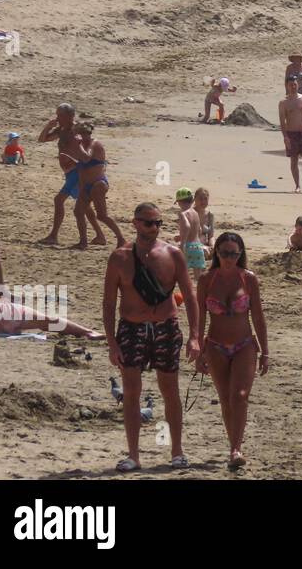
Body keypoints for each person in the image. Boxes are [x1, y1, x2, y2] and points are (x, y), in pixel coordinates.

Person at [102, 202, 201, 472]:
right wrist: (111, 342)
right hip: (131, 329)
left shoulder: (173, 254)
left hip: (165, 327)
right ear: (135, 223)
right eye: (148, 223)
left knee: (170, 391)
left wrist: (195, 336)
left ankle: (177, 452)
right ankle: (133, 455)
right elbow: (109, 303)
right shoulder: (119, 258)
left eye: (158, 223)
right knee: (132, 393)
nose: (154, 228)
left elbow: (190, 297)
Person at [195, 231, 270, 470]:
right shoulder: (207, 280)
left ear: (241, 254)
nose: (230, 258)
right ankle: (233, 446)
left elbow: (258, 316)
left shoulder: (248, 279)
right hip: (215, 345)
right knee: (226, 399)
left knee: (240, 396)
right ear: (216, 252)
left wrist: (265, 351)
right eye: (225, 253)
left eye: (235, 254)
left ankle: (236, 448)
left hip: (244, 345)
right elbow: (199, 316)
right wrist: (197, 348)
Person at [37, 104, 101, 248]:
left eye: (60, 115)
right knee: (85, 206)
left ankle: (54, 235)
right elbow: (42, 139)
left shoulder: (77, 130)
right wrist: (48, 126)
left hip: (77, 172)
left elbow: (86, 151)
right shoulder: (61, 130)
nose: (57, 118)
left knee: (59, 200)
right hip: (69, 172)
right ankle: (99, 235)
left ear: (69, 116)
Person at [66, 122, 124, 249]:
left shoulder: (94, 144)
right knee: (78, 211)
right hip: (86, 185)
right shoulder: (81, 146)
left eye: (80, 134)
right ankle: (83, 241)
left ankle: (121, 238)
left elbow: (86, 158)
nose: (78, 137)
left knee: (102, 215)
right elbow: (81, 169)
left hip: (98, 184)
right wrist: (81, 189)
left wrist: (78, 145)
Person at [278, 76, 302, 193]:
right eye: (290, 85)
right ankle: (297, 185)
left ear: (297, 85)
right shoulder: (283, 103)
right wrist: (285, 137)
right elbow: (282, 121)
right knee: (294, 160)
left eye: (295, 84)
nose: (293, 87)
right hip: (291, 134)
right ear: (287, 86)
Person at [175, 187, 206, 276]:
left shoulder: (183, 213)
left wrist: (182, 243)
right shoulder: (195, 213)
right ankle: (199, 289)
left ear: (179, 202)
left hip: (188, 246)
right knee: (198, 276)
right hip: (198, 246)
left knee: (183, 273)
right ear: (192, 201)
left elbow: (187, 226)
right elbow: (199, 230)